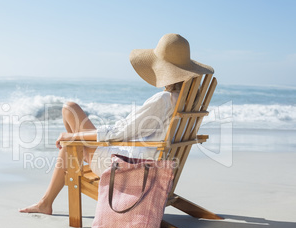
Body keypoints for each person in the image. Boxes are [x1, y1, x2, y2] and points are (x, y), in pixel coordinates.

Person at [19, 33, 214, 215]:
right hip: (152, 165)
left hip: (131, 169)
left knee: (70, 115)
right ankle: (50, 195)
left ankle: (46, 202)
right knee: (71, 124)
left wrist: (72, 137)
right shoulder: (190, 102)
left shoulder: (163, 100)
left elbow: (121, 133)